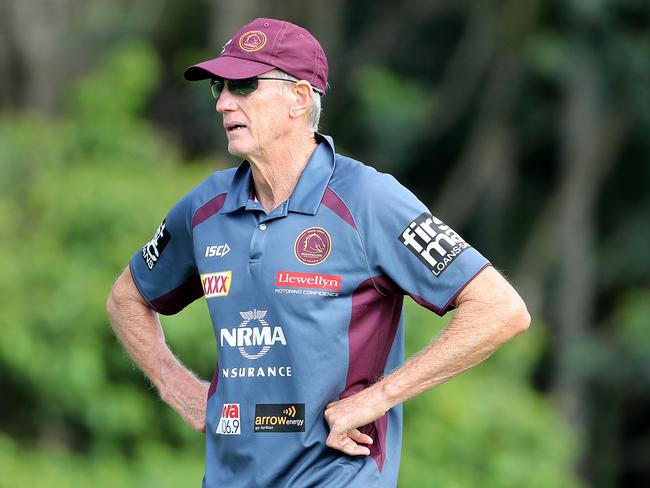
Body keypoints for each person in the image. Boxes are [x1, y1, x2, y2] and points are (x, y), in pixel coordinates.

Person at [106, 17, 530, 488]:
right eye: (220, 88)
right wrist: (174, 385)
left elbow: (500, 309)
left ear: (299, 97)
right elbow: (127, 298)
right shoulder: (204, 208)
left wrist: (380, 397)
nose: (225, 102)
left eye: (244, 85)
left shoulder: (369, 199)